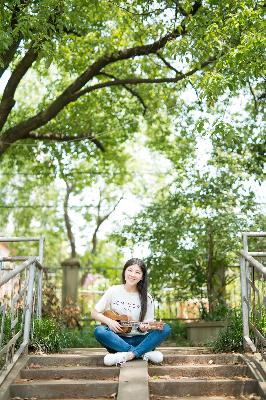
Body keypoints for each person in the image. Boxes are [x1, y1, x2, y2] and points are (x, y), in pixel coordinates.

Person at [91, 258, 171, 366]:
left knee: (165, 328)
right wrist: (109, 322)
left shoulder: (147, 297)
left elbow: (147, 324)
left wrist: (142, 328)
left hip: (140, 340)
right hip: (117, 340)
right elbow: (94, 313)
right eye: (130, 270)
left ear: (142, 277)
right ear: (124, 272)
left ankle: (128, 355)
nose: (133, 274)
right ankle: (142, 354)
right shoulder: (113, 291)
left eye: (137, 272)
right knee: (99, 331)